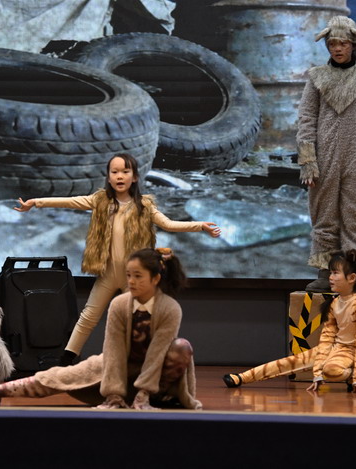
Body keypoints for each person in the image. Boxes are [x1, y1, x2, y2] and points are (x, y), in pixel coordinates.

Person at [15, 153, 220, 364]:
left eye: (125, 171)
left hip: (133, 278)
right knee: (88, 317)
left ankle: (145, 361)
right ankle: (66, 360)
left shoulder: (145, 206)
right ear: (109, 176)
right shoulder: (100, 201)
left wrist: (200, 226)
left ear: (135, 177)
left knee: (139, 320)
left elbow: (169, 224)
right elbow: (68, 202)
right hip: (107, 274)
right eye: (114, 172)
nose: (119, 176)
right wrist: (36, 202)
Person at [0, 248, 202, 410]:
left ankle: (159, 397)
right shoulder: (120, 304)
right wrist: (113, 394)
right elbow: (114, 351)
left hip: (154, 375)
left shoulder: (170, 309)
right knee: (56, 376)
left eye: (138, 276)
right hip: (115, 368)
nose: (131, 281)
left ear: (156, 279)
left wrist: (144, 394)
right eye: (128, 275)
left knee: (181, 347)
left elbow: (157, 354)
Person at [297, 16, 356, 291]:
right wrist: (308, 161)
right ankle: (327, 272)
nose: (337, 48)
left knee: (355, 216)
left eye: (343, 43)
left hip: (355, 159)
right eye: (332, 43)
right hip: (324, 159)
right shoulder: (317, 77)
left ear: (353, 45)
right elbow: (306, 119)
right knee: (324, 215)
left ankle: (355, 274)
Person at [223, 250, 356, 394]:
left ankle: (350, 374)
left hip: (352, 351)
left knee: (331, 370)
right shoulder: (335, 302)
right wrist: (317, 373)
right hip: (335, 347)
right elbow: (327, 338)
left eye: (335, 273)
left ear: (351, 278)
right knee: (290, 362)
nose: (330, 277)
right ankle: (242, 377)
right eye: (331, 273)